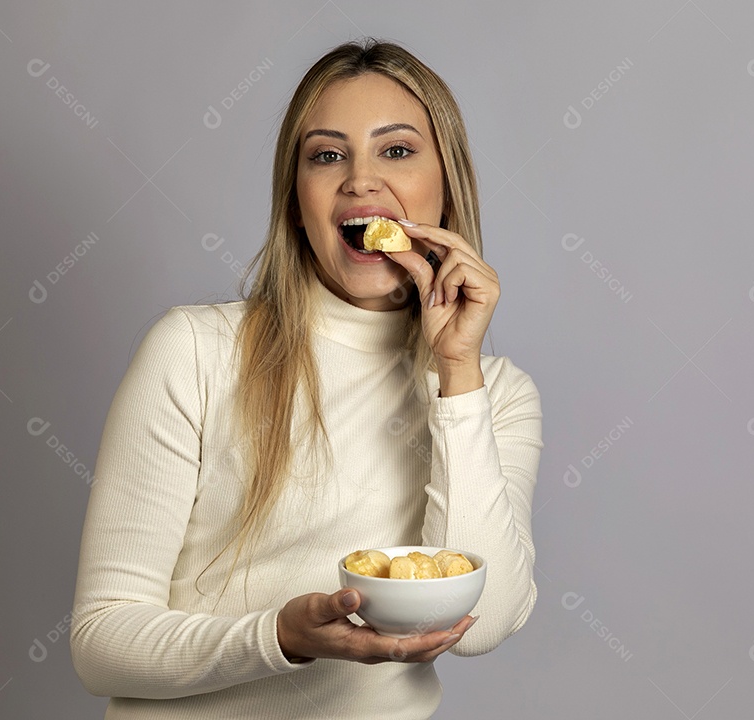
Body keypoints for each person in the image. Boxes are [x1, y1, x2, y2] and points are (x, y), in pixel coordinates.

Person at [70, 37, 543, 719]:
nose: (360, 180)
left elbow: (485, 623)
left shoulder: (494, 394)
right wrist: (281, 637)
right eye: (327, 156)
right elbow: (101, 642)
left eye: (398, 150)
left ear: (445, 189)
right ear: (298, 201)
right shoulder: (196, 351)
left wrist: (456, 375)